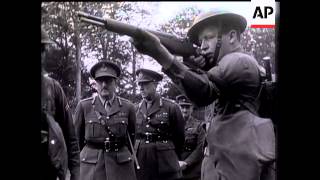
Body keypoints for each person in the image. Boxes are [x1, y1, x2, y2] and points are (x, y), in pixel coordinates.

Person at [130, 9, 276, 180]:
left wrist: (159, 53)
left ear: (232, 36)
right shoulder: (226, 66)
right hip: (226, 164)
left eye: (208, 37)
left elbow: (203, 93)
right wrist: (193, 65)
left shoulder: (239, 60)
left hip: (237, 166)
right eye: (200, 41)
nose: (203, 46)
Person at [74, 60, 137, 180]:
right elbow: (77, 140)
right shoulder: (84, 106)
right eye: (100, 81)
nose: (104, 84)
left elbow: (131, 139)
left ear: (115, 83)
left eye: (108, 80)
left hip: (121, 165)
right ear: (95, 83)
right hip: (91, 165)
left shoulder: (128, 107)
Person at [41, 26, 80, 180]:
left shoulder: (53, 88)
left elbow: (70, 135)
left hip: (48, 169)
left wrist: (75, 172)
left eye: (41, 50)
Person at [134, 68, 185, 180]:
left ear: (155, 84)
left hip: (164, 160)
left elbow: (180, 137)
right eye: (139, 84)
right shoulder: (135, 109)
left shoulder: (171, 107)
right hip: (141, 159)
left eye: (145, 84)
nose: (141, 87)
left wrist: (173, 156)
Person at [176, 94, 205, 180]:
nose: (185, 110)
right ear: (178, 107)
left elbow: (200, 148)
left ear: (192, 109)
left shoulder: (199, 126)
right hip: (175, 167)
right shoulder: (172, 125)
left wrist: (186, 163)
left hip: (193, 170)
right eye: (182, 107)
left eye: (187, 107)